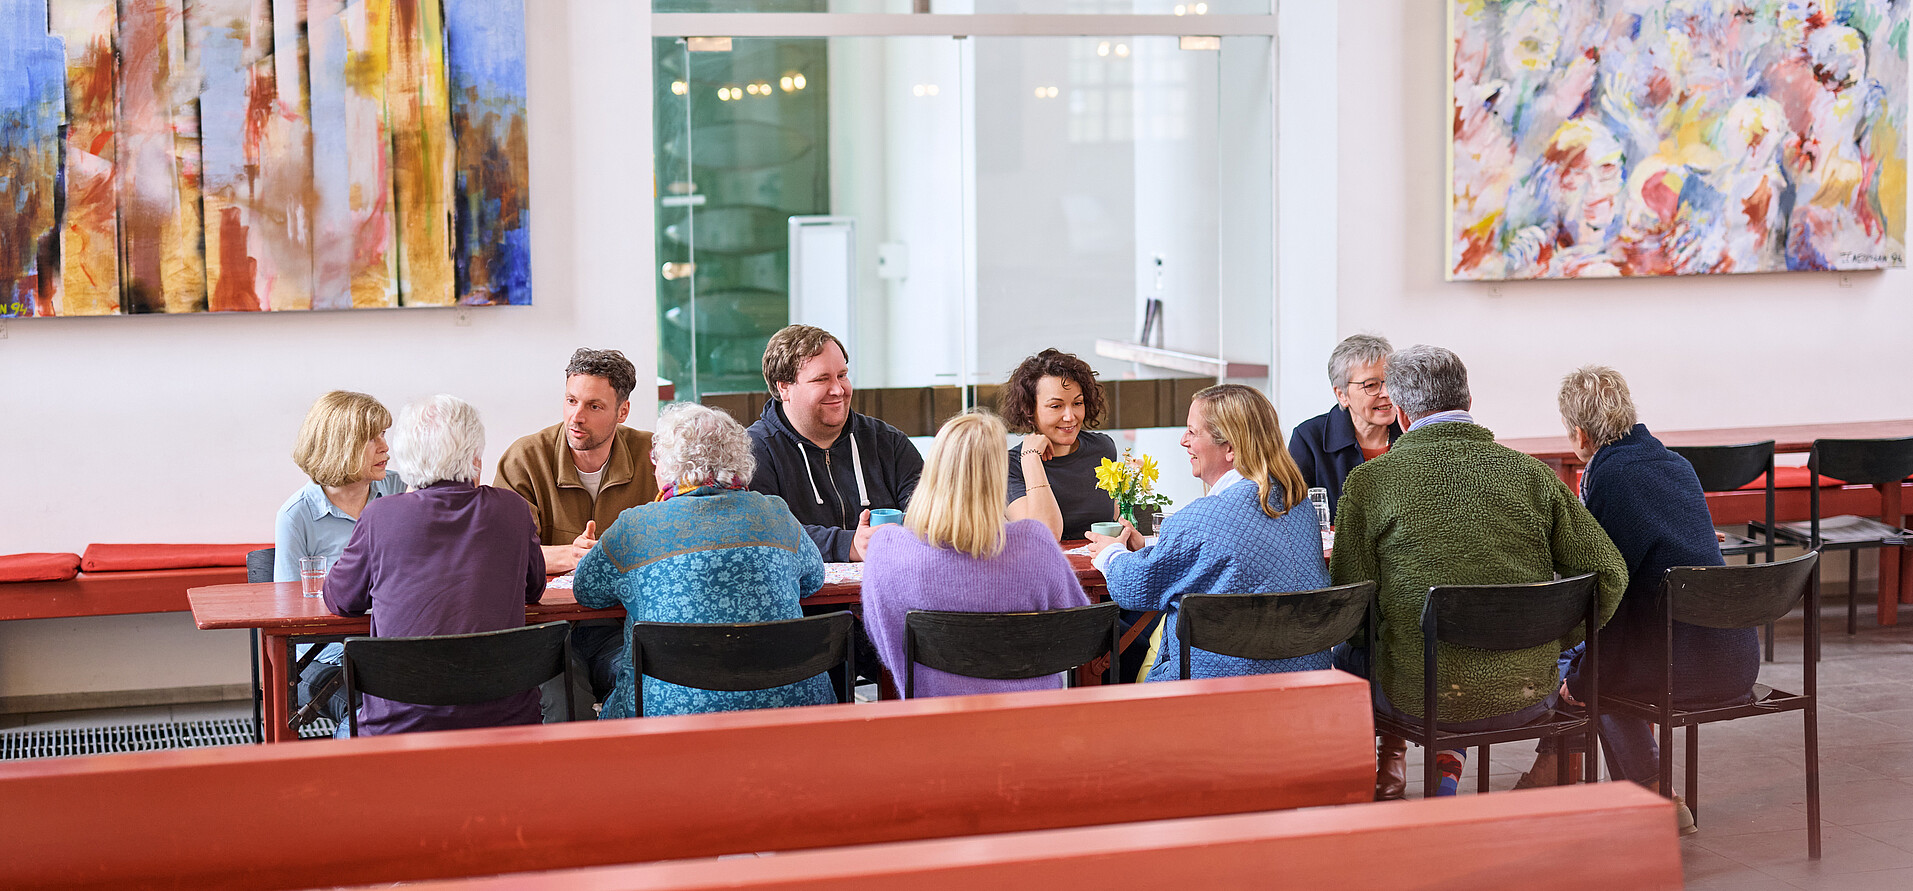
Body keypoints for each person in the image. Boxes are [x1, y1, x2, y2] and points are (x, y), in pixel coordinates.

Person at [1328, 345, 1626, 797]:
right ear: (1468, 403)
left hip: (1421, 697)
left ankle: (1360, 786)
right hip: (1529, 692)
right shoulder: (1533, 475)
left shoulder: (1370, 483)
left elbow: (1351, 604)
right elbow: (1609, 574)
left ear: (1403, 416)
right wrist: (1553, 640)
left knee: (1344, 655)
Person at [1519, 366, 1745, 834]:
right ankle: (1558, 771)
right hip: (1731, 654)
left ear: (1579, 434)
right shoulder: (1676, 465)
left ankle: (1651, 792)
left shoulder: (1610, 479)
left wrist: (1582, 680)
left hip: (1678, 660)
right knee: (1586, 665)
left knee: (1578, 673)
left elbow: (1606, 595)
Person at [573, 403, 834, 718]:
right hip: (794, 719)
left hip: (667, 724)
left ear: (666, 465)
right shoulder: (776, 513)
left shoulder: (635, 528)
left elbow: (586, 589)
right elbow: (812, 579)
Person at [324, 395, 545, 736]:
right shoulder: (512, 510)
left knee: (342, 730)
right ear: (475, 456)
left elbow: (342, 600)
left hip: (401, 727)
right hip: (504, 721)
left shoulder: (381, 517)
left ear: (408, 456)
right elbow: (534, 589)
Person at [1085, 384, 1332, 682]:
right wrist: (1152, 553)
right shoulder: (1299, 506)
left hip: (1212, 694)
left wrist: (1110, 554)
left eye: (1192, 432)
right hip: (1303, 687)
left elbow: (1133, 588)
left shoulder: (1201, 517)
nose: (1183, 440)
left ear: (1230, 447)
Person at [862, 410, 1091, 698]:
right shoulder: (1035, 544)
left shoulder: (885, 549)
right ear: (997, 478)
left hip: (932, 723)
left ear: (933, 468)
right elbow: (1080, 632)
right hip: (1032, 722)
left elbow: (881, 637)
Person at [496, 347, 656, 716]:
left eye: (594, 406)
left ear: (623, 411)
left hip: (621, 623)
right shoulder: (525, 458)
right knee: (566, 704)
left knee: (643, 685)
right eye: (571, 401)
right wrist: (570, 555)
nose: (576, 417)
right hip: (544, 629)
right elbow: (501, 557)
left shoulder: (654, 456)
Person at [272, 390, 407, 734]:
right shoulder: (295, 516)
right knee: (365, 710)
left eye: (384, 435)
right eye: (372, 437)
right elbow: (289, 617)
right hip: (324, 656)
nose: (385, 447)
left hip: (396, 643)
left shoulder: (399, 490)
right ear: (341, 445)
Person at [746, 325, 924, 562]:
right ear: (784, 387)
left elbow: (930, 509)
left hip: (886, 592)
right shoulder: (752, 452)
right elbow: (763, 532)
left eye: (842, 375)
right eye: (822, 379)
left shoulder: (889, 442)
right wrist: (848, 545)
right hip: (801, 598)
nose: (838, 390)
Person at [999, 348, 1119, 541]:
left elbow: (1113, 520)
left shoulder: (1103, 448)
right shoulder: (1008, 466)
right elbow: (1042, 535)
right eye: (1056, 406)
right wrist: (1030, 458)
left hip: (1100, 567)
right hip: (1045, 569)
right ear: (1029, 409)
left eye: (1078, 403)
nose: (1070, 417)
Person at [1288, 334, 1401, 516]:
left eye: (1391, 381)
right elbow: (1292, 516)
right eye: (1371, 385)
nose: (1386, 393)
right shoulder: (1309, 438)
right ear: (1342, 394)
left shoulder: (1413, 431)